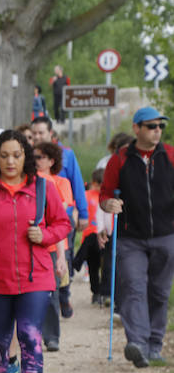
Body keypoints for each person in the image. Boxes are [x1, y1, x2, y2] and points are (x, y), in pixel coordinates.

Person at [0, 130, 70, 373]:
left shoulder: (42, 187)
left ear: (25, 157)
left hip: (36, 278)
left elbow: (63, 223)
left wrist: (45, 236)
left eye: (16, 155)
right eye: (4, 155)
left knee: (30, 336)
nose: (10, 161)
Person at [101, 106, 174, 367]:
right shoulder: (119, 159)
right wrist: (108, 204)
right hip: (130, 237)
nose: (157, 131)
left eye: (160, 127)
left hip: (166, 235)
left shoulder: (171, 156)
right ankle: (138, 345)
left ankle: (155, 345)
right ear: (137, 128)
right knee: (134, 287)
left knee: (159, 292)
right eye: (151, 126)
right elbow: (105, 193)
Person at [32, 116, 86, 319]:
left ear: (50, 134)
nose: (37, 136)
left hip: (61, 216)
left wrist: (83, 212)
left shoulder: (67, 154)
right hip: (37, 221)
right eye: (34, 133)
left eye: (41, 133)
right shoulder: (27, 157)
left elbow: (77, 183)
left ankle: (64, 293)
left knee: (65, 255)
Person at [33, 140, 73, 352]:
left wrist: (60, 256)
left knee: (52, 293)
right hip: (33, 245)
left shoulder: (60, 183)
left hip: (54, 243)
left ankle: (51, 336)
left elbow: (59, 214)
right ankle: (32, 334)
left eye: (39, 157)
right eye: (33, 156)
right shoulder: (29, 181)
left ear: (51, 160)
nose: (35, 160)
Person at [74, 169, 108, 305]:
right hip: (89, 235)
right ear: (94, 183)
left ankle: (106, 292)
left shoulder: (108, 198)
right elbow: (78, 211)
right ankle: (96, 292)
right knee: (93, 267)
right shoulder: (86, 196)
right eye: (101, 185)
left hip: (105, 237)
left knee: (106, 266)